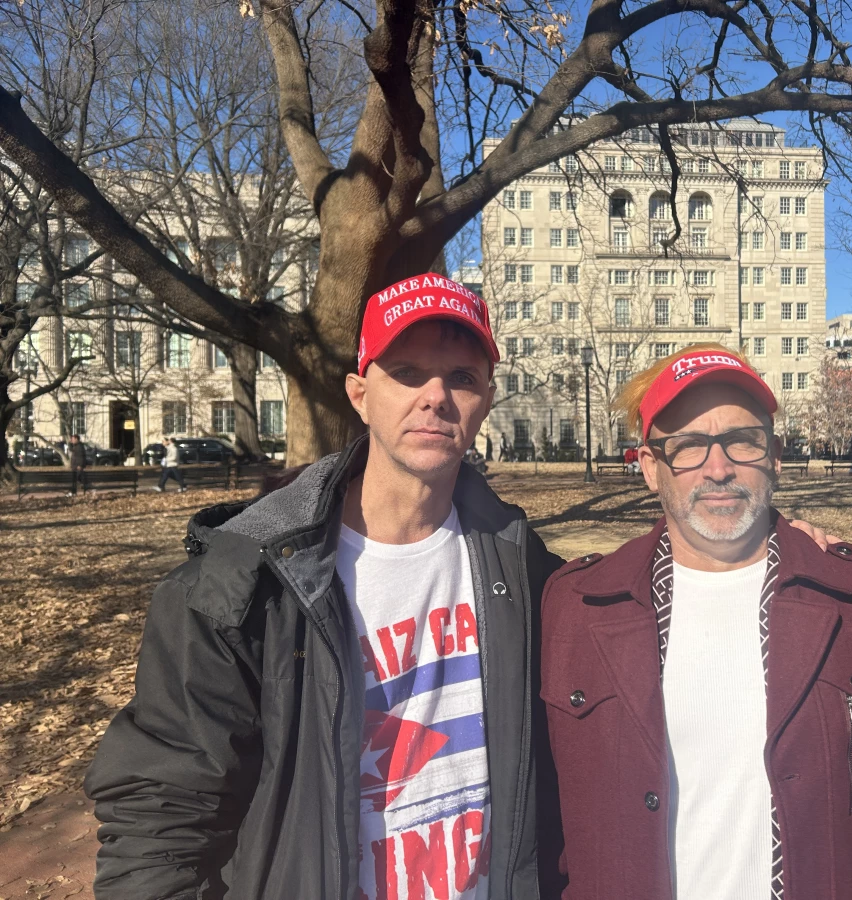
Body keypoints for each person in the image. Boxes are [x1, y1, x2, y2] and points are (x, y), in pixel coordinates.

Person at [86, 275, 559, 899]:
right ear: (360, 394)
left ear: (487, 400)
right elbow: (162, 813)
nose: (436, 397)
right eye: (408, 372)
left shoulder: (521, 567)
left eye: (462, 378)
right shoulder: (243, 587)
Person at [538, 344, 852, 899]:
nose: (718, 469)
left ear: (774, 456)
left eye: (742, 440)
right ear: (651, 467)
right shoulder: (574, 606)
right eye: (689, 446)